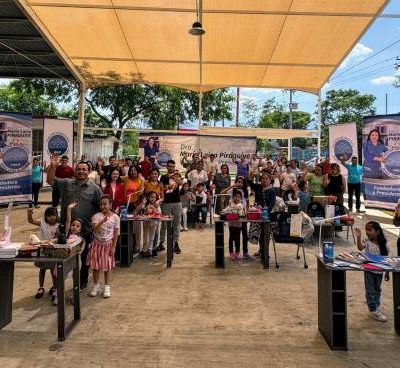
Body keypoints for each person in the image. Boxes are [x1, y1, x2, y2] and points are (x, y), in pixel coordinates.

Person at [47, 158, 102, 291]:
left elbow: (101, 208)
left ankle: (82, 282)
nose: (81, 171)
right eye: (78, 169)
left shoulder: (95, 189)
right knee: (61, 257)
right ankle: (57, 286)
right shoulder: (66, 183)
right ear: (75, 171)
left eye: (84, 169)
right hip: (66, 230)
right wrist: (53, 166)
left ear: (89, 172)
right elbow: (50, 180)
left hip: (86, 230)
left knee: (84, 258)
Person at [354, 222, 389, 322]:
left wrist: (387, 272)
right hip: (368, 271)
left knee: (377, 289)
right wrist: (358, 237)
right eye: (366, 230)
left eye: (369, 230)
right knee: (370, 291)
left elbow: (386, 258)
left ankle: (376, 307)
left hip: (379, 272)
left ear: (377, 232)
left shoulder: (383, 243)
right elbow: (360, 248)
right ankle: (373, 309)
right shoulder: (367, 242)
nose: (367, 232)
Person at [87, 195, 120, 299]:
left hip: (108, 245)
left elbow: (116, 234)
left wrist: (114, 247)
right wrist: (102, 221)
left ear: (110, 205)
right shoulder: (96, 216)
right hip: (97, 244)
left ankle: (107, 287)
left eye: (105, 204)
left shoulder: (116, 217)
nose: (103, 206)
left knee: (107, 266)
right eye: (101, 204)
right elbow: (95, 229)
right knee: (96, 267)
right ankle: (96, 286)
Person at [27, 207, 59, 300]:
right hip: (42, 250)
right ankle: (41, 288)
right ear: (45, 217)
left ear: (57, 216)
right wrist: (29, 214)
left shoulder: (58, 226)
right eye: (49, 215)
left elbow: (57, 237)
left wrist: (52, 240)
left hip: (53, 251)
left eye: (53, 215)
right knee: (42, 270)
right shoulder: (42, 223)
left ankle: (55, 288)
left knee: (53, 272)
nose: (51, 217)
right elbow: (31, 221)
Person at [159, 160, 182, 254]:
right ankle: (161, 242)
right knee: (164, 224)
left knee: (176, 224)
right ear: (166, 167)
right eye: (169, 166)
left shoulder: (177, 175)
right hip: (166, 203)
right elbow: (162, 188)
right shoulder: (163, 177)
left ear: (174, 167)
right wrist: (167, 187)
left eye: (173, 166)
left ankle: (176, 243)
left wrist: (173, 177)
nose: (171, 167)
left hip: (177, 202)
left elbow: (180, 183)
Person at [223, 190, 245, 261]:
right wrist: (223, 211)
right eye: (235, 197)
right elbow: (227, 209)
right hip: (231, 225)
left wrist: (240, 214)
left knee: (237, 239)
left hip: (238, 225)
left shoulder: (240, 205)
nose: (237, 198)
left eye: (239, 197)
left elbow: (240, 214)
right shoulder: (230, 204)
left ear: (241, 198)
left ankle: (237, 253)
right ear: (233, 197)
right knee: (231, 238)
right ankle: (231, 253)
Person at [137, 191, 161, 258]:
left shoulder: (157, 205)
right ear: (148, 197)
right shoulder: (145, 204)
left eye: (154, 197)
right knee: (145, 236)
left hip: (153, 222)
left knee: (151, 237)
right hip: (146, 222)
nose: (153, 198)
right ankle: (144, 250)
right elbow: (141, 213)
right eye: (151, 197)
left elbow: (159, 213)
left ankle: (149, 250)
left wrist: (154, 209)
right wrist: (145, 211)